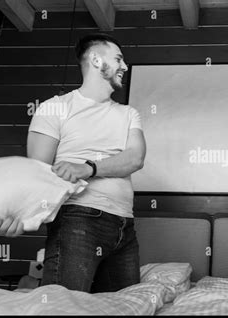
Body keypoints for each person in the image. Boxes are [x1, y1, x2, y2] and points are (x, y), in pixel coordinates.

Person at [23, 33, 145, 293]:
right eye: (118, 59)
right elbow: (37, 172)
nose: (124, 66)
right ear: (96, 60)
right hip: (77, 219)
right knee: (64, 306)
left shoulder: (128, 113)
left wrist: (88, 168)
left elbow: (135, 158)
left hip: (125, 225)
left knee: (124, 309)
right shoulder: (55, 108)